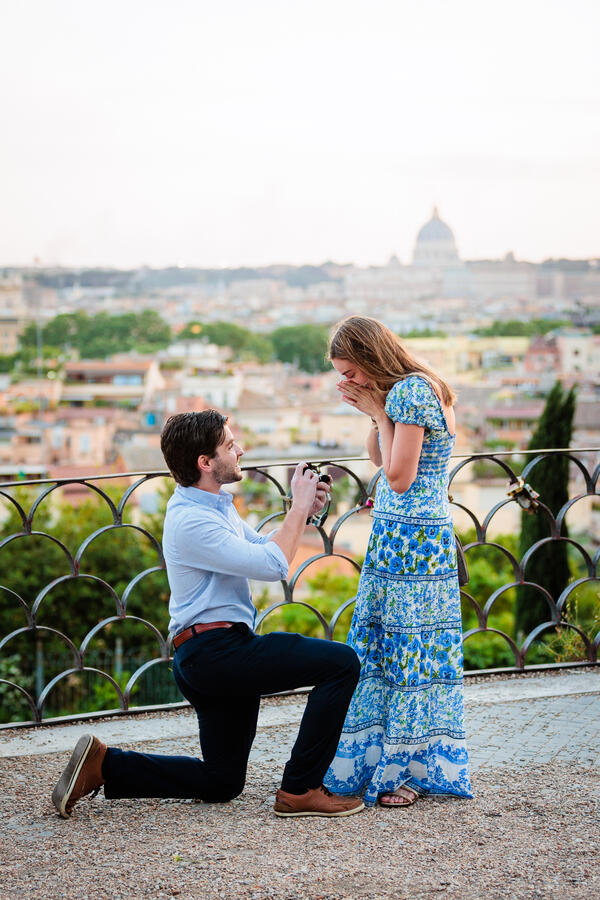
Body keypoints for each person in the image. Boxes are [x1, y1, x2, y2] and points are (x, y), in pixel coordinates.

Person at [52, 410, 364, 819]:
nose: (240, 451)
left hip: (211, 653)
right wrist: (297, 506)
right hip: (216, 652)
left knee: (222, 781)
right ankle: (301, 789)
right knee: (340, 663)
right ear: (205, 462)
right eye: (231, 446)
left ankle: (104, 765)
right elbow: (274, 566)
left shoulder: (214, 507)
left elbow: (263, 549)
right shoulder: (191, 520)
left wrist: (302, 512)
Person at [323, 316, 472, 808]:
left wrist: (381, 410)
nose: (347, 382)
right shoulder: (412, 390)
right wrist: (374, 414)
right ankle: (390, 761)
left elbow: (399, 476)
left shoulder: (410, 392)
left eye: (350, 371)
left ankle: (397, 772)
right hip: (407, 537)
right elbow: (377, 457)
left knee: (406, 654)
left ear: (369, 359)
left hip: (410, 543)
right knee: (401, 651)